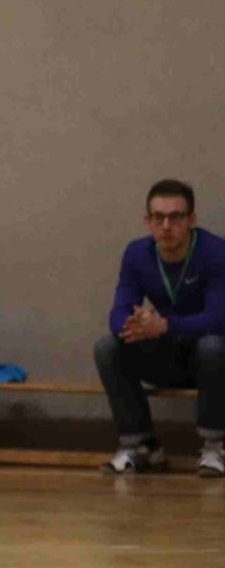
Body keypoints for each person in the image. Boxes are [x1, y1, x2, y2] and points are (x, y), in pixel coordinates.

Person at [95, 178, 223, 476]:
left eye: (176, 217)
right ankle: (141, 447)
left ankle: (216, 448)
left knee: (214, 345)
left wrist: (165, 325)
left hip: (211, 362)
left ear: (192, 220)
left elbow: (219, 318)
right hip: (165, 356)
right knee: (107, 346)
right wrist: (133, 324)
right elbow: (119, 310)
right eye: (158, 217)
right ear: (148, 221)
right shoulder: (137, 253)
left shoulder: (216, 252)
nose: (166, 226)